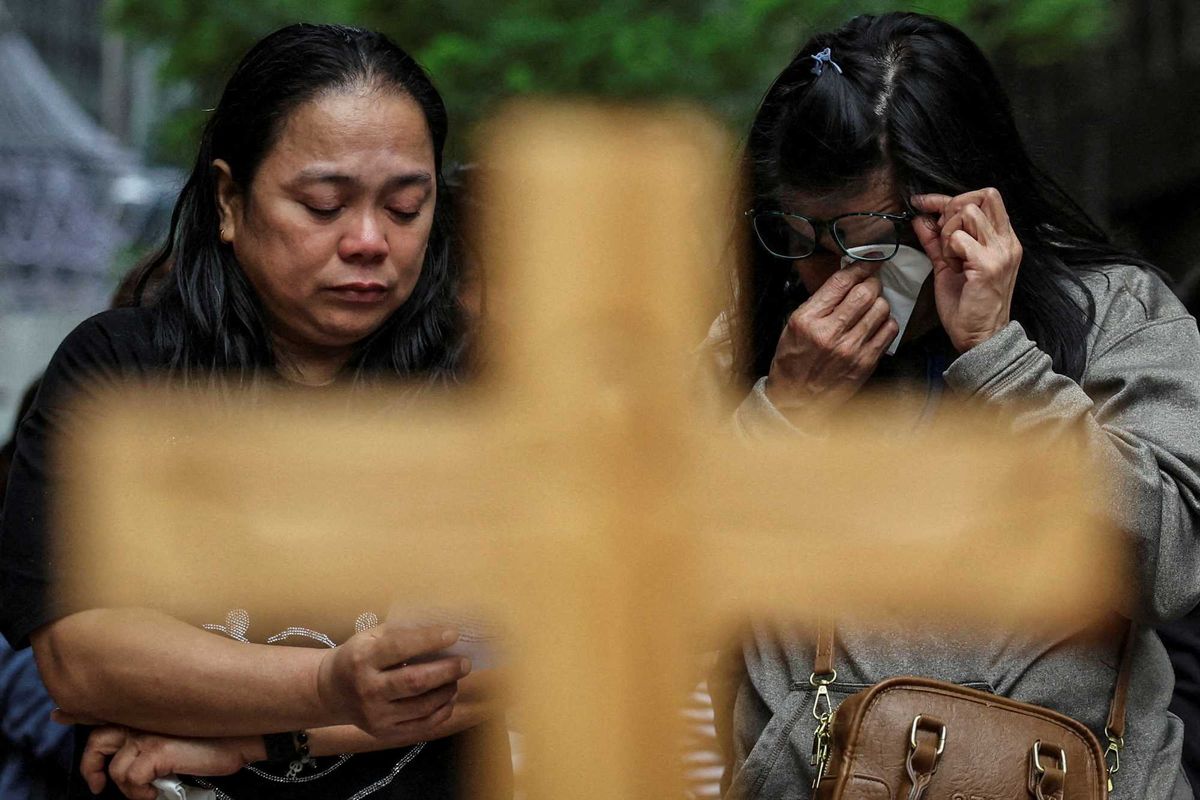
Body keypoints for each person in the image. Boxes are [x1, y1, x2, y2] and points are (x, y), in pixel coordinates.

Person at [0, 23, 508, 800]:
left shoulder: (481, 388)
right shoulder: (121, 376)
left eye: (407, 208)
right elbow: (81, 653)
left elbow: (506, 661)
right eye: (323, 204)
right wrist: (330, 684)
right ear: (229, 201)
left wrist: (259, 733)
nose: (369, 240)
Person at [708, 12, 1200, 799]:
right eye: (802, 236)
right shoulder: (754, 342)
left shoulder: (1118, 315)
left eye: (869, 247)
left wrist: (1001, 360)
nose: (830, 279)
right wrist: (782, 416)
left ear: (964, 207)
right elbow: (655, 574)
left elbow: (1171, 569)